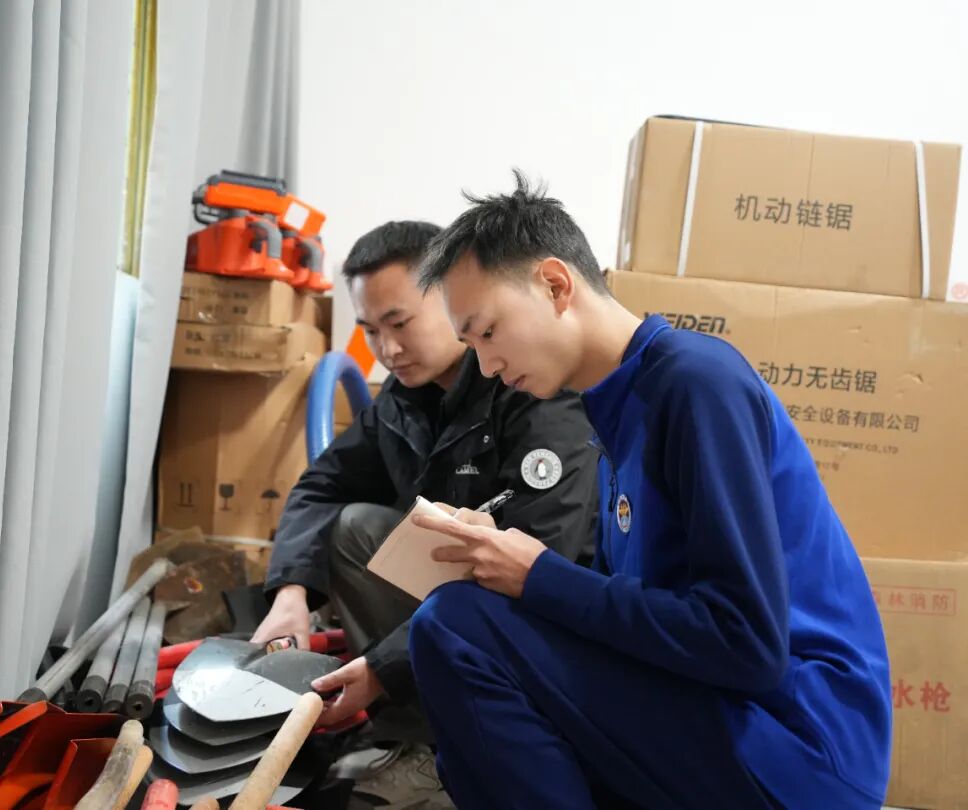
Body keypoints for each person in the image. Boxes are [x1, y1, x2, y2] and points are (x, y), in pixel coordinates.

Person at [406, 174, 892, 809]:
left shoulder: (696, 383)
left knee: (456, 625)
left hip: (799, 747)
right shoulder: (619, 410)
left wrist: (540, 576)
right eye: (471, 346)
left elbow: (747, 646)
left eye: (489, 332)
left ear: (555, 285)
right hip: (725, 716)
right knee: (472, 661)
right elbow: (641, 619)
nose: (487, 366)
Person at [250, 219, 600, 734]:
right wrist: (291, 593)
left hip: (541, 621)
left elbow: (540, 559)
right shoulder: (402, 401)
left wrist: (381, 668)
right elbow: (323, 485)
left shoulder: (532, 386)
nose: (387, 349)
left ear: (452, 300)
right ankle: (413, 737)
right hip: (457, 598)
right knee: (354, 526)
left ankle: (450, 743)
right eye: (371, 330)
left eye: (399, 323)